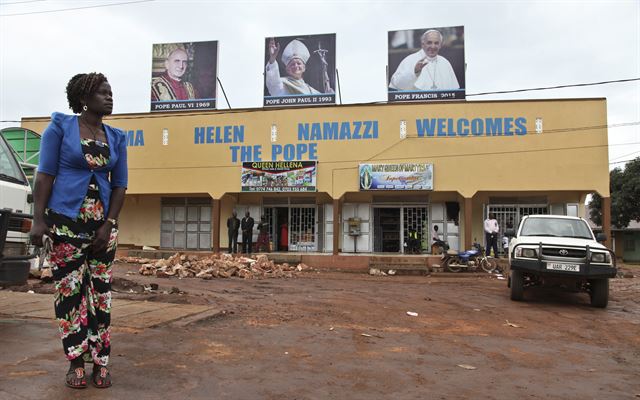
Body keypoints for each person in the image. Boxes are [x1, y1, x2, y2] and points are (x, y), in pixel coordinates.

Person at [29, 72, 127, 389]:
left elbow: (120, 186)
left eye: (111, 92)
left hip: (102, 229)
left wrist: (108, 224)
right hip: (65, 224)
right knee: (70, 295)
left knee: (100, 296)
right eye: (102, 92)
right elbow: (44, 176)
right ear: (84, 98)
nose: (109, 97)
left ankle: (101, 363)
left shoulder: (117, 137)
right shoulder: (60, 127)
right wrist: (39, 220)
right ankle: (76, 362)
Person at [389, 29, 460, 91]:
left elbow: (455, 92)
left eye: (436, 43)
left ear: (440, 45)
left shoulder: (445, 63)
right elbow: (396, 85)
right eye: (429, 42)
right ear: (423, 44)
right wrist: (414, 72)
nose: (433, 46)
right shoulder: (409, 60)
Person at [265, 38, 331, 96]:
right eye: (292, 64)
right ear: (287, 69)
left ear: (304, 68)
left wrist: (329, 96)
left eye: (299, 63)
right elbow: (273, 84)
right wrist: (272, 59)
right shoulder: (282, 84)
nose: (296, 66)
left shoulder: (310, 90)